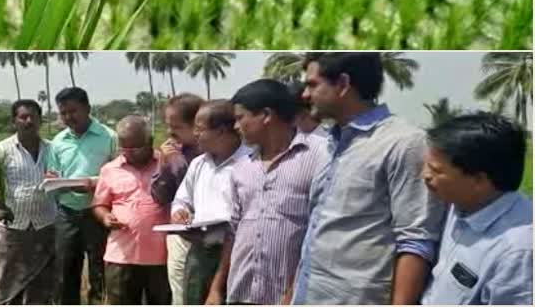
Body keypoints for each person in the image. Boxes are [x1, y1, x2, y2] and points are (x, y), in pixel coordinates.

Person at [292, 53, 446, 305]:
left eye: (312, 84)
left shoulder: (403, 143)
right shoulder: (332, 143)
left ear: (342, 84)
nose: (304, 95)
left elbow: (416, 240)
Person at [206, 80, 330, 305]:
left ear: (265, 115)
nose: (236, 126)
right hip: (242, 293)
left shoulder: (320, 156)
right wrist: (217, 288)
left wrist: (294, 291)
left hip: (292, 297)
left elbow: (322, 234)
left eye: (240, 117)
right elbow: (234, 232)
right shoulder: (243, 167)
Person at [421, 112, 532, 305]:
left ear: (479, 180)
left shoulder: (518, 252)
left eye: (436, 170)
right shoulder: (460, 205)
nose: (425, 175)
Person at [171, 100, 252, 305]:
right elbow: (181, 199)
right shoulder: (199, 164)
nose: (195, 134)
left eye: (200, 129)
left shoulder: (251, 162)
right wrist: (179, 212)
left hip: (236, 255)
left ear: (222, 131)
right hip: (200, 252)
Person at [0, 100, 59, 305]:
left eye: (33, 116)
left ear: (40, 120)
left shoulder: (52, 149)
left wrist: (56, 177)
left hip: (45, 223)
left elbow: (62, 179)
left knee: (43, 280)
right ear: (14, 121)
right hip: (13, 224)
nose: (29, 121)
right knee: (10, 276)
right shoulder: (2, 149)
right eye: (23, 117)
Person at [93, 115, 172, 305]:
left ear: (150, 142)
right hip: (121, 256)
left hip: (160, 257)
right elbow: (99, 204)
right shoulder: (109, 170)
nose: (129, 153)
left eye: (135, 148)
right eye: (124, 148)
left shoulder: (166, 164)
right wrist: (105, 217)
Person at [48, 87, 117, 305]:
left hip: (98, 213)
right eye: (63, 113)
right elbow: (54, 173)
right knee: (65, 271)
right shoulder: (58, 141)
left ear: (87, 108)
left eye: (73, 111)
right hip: (67, 213)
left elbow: (120, 173)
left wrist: (96, 184)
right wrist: (52, 177)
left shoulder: (109, 137)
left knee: (100, 270)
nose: (69, 117)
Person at [150, 93, 205, 306]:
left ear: (196, 125)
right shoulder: (171, 152)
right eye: (168, 125)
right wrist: (164, 163)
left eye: (177, 126)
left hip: (213, 238)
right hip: (181, 235)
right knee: (181, 296)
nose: (170, 132)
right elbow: (159, 196)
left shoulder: (217, 152)